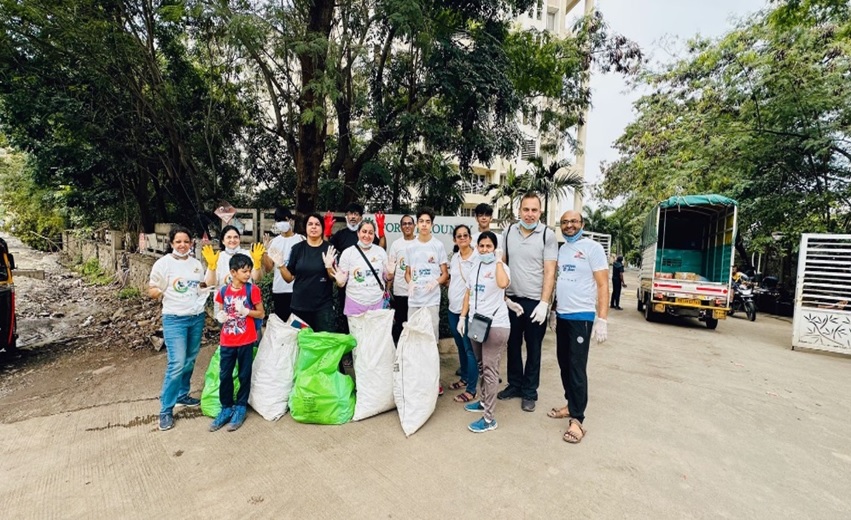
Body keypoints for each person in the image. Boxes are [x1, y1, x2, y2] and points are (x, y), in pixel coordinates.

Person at [548, 210, 609, 444]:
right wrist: (554, 309)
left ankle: (578, 420)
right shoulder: (562, 250)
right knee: (564, 364)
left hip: (581, 317)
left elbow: (603, 285)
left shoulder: (593, 248)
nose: (569, 225)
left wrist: (602, 318)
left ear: (582, 223)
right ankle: (570, 404)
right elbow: (559, 282)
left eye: (574, 221)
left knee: (576, 367)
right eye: (565, 222)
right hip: (563, 316)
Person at [498, 192, 557, 413]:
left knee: (533, 348)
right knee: (512, 344)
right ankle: (515, 384)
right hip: (512, 300)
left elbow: (550, 271)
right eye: (526, 209)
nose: (529, 214)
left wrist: (544, 303)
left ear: (540, 212)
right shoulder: (507, 232)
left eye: (534, 210)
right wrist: (502, 297)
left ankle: (530, 392)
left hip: (535, 302)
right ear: (519, 210)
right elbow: (501, 264)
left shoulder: (547, 235)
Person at [148, 227, 210, 431]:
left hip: (196, 318)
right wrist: (160, 291)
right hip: (174, 319)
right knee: (176, 363)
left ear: (191, 242)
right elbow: (151, 290)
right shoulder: (163, 264)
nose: (182, 245)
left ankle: (183, 394)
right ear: (172, 243)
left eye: (186, 241)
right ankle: (166, 409)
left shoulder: (195, 264)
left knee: (191, 359)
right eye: (178, 242)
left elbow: (200, 285)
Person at [457, 231, 511, 433]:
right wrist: (463, 317)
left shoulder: (502, 267)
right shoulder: (475, 267)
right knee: (480, 365)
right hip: (476, 323)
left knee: (490, 370)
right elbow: (468, 293)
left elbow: (503, 284)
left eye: (489, 246)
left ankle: (489, 419)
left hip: (496, 324)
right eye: (482, 246)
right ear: (477, 247)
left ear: (495, 248)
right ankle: (482, 401)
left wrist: (498, 261)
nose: (485, 250)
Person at [209, 254, 265, 432]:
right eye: (244, 271)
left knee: (244, 374)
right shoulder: (223, 292)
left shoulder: (252, 290)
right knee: (225, 375)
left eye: (249, 271)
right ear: (233, 272)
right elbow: (219, 312)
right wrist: (220, 317)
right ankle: (226, 408)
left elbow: (261, 313)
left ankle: (241, 407)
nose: (248, 274)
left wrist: (247, 311)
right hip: (227, 340)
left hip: (246, 339)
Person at [328, 202, 386, 333]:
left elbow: (381, 250)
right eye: (350, 214)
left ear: (360, 217)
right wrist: (327, 234)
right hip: (348, 287)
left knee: (372, 328)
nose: (353, 217)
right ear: (346, 216)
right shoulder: (340, 235)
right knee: (351, 321)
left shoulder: (369, 235)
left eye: (356, 214)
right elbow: (328, 251)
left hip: (371, 288)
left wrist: (381, 233)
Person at [279, 213, 338, 332]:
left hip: (323, 307)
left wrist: (328, 267)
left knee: (322, 343)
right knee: (300, 341)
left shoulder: (329, 248)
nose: (314, 227)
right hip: (299, 306)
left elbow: (334, 278)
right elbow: (289, 278)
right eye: (310, 224)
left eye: (317, 224)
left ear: (322, 228)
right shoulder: (297, 249)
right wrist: (281, 266)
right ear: (305, 228)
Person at [404, 207, 449, 343]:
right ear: (417, 224)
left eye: (427, 222)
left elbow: (445, 274)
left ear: (432, 225)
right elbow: (407, 273)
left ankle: (431, 364)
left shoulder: (438, 245)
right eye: (421, 221)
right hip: (414, 299)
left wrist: (435, 282)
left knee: (431, 336)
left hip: (432, 300)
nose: (424, 224)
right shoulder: (410, 247)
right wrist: (410, 282)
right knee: (413, 336)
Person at [447, 224, 479, 403]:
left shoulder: (477, 258)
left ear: (470, 238)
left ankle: (472, 389)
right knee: (460, 345)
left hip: (467, 313)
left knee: (470, 349)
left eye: (465, 235)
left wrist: (464, 314)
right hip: (453, 309)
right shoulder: (455, 258)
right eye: (458, 236)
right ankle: (465, 377)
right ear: (454, 240)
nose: (462, 238)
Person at [202, 225, 264, 316]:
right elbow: (210, 284)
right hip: (224, 306)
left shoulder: (249, 254)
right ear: (223, 241)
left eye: (236, 237)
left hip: (247, 305)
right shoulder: (217, 257)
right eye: (229, 237)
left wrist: (257, 263)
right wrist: (212, 266)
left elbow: (257, 278)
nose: (233, 240)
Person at [262, 207, 304, 321]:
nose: (283, 223)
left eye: (286, 220)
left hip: (297, 290)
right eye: (279, 221)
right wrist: (265, 251)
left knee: (298, 324)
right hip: (279, 289)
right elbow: (268, 268)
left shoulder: (301, 240)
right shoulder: (274, 242)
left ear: (291, 220)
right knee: (282, 323)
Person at [388, 214, 416, 343]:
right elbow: (391, 268)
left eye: (409, 223)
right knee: (400, 324)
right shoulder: (396, 244)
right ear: (401, 227)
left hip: (417, 292)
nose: (407, 226)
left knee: (415, 325)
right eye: (404, 224)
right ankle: (399, 354)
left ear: (414, 226)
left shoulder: (419, 243)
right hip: (400, 291)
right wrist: (388, 290)